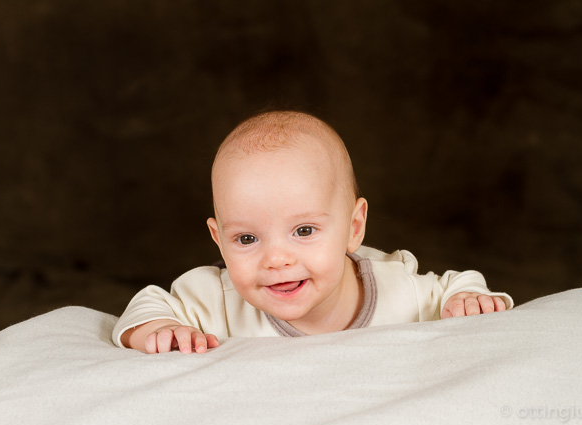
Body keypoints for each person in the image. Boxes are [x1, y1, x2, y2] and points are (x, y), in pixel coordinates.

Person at [112, 110, 513, 354]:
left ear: (354, 228)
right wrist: (158, 331)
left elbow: (455, 285)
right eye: (247, 239)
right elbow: (145, 307)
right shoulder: (216, 298)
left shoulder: (397, 288)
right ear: (218, 239)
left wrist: (467, 299)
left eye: (304, 230)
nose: (276, 260)